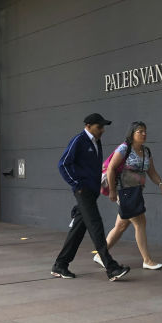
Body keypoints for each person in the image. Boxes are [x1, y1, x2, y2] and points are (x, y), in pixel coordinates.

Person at [51, 113, 130, 281]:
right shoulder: (78, 140)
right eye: (99, 127)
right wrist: (77, 184)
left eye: (103, 127)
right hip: (83, 191)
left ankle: (60, 265)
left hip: (92, 191)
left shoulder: (96, 142)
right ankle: (111, 267)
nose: (102, 130)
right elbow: (63, 164)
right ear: (88, 126)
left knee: (78, 230)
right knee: (96, 226)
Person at [94, 121, 162, 270]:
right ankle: (147, 260)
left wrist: (160, 183)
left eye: (145, 131)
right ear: (132, 133)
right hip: (123, 192)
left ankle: (101, 254)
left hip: (136, 192)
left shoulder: (146, 151)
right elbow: (111, 169)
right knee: (140, 222)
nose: (144, 134)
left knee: (120, 226)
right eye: (140, 131)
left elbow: (151, 171)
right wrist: (113, 191)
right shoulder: (124, 148)